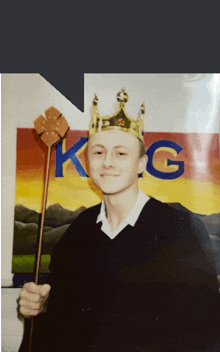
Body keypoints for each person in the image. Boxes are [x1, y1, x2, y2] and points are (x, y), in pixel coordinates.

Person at [18, 89, 220, 352]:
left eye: (121, 153)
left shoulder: (180, 229)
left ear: (141, 164)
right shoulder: (79, 232)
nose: (108, 162)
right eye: (98, 152)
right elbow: (62, 318)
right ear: (88, 163)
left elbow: (206, 328)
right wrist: (41, 305)